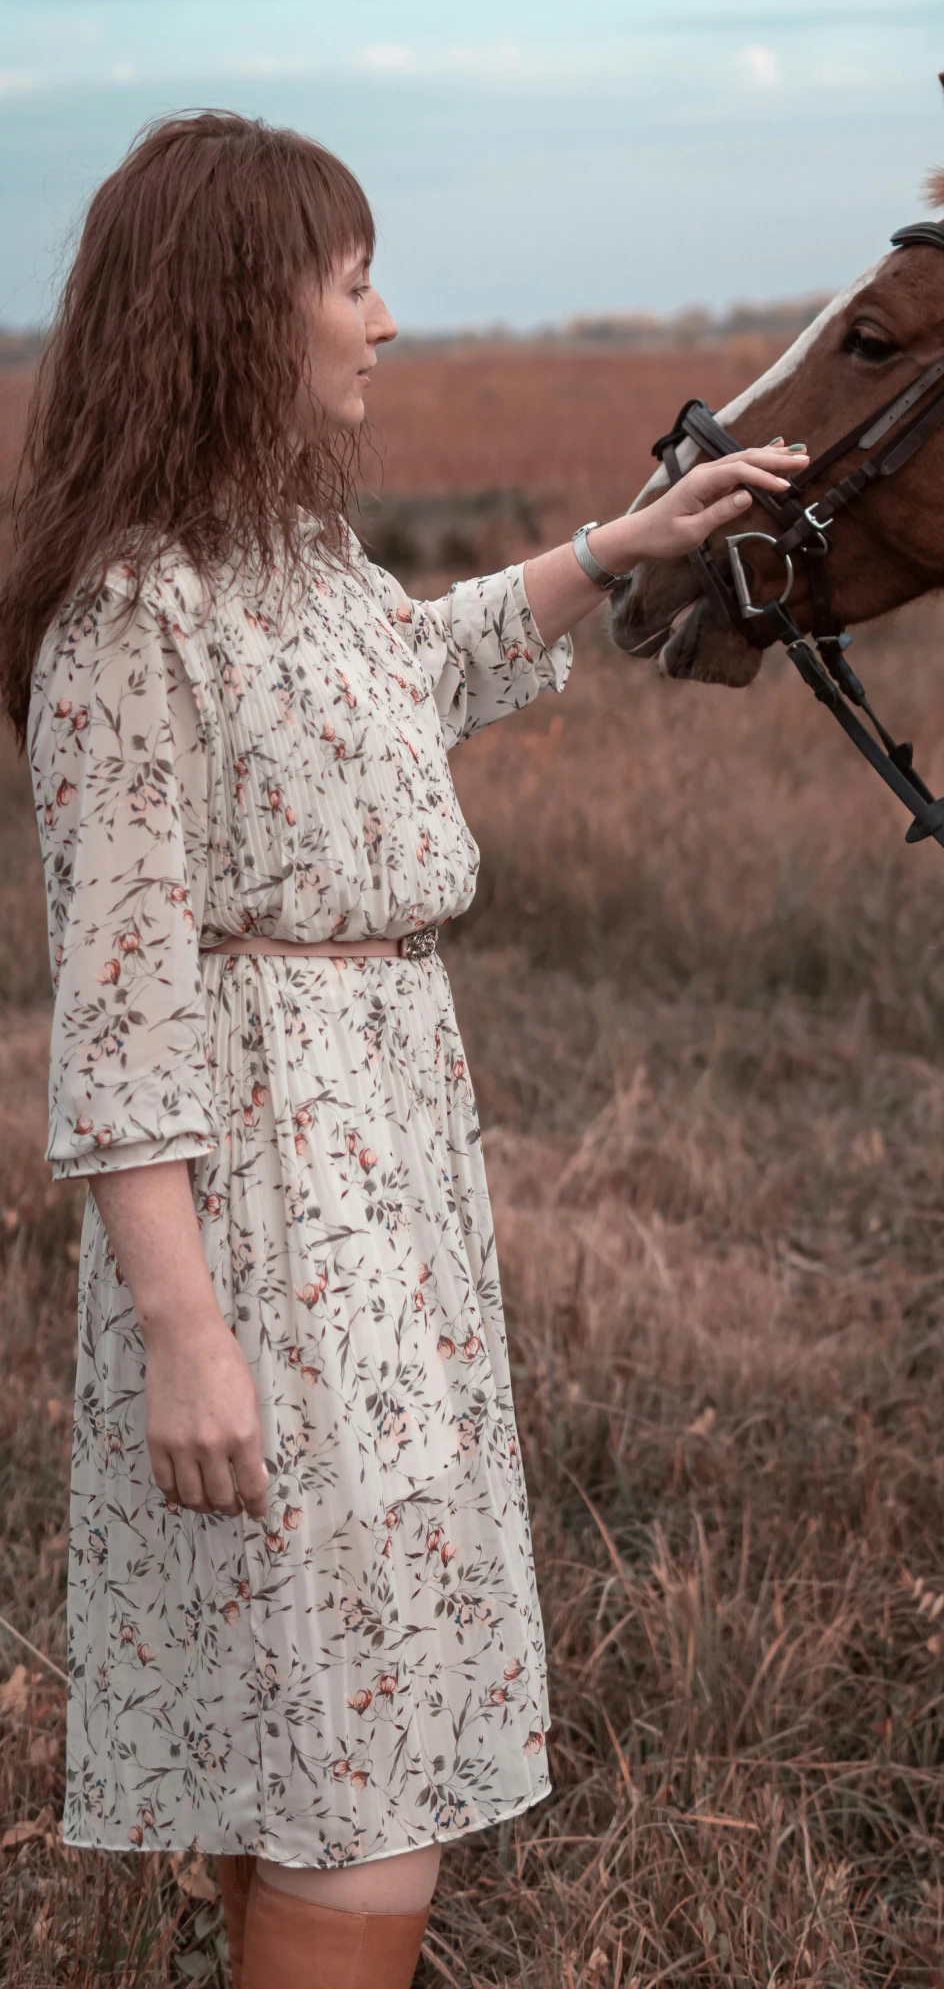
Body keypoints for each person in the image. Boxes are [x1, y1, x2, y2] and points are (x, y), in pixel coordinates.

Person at [0, 112, 806, 1989]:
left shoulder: (294, 565)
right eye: (352, 283)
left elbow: (421, 663)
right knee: (359, 1773)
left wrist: (619, 547)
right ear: (235, 312)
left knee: (314, 1723)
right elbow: (113, 1019)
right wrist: (189, 1336)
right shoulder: (133, 616)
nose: (387, 322)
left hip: (394, 1209)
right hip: (272, 1248)